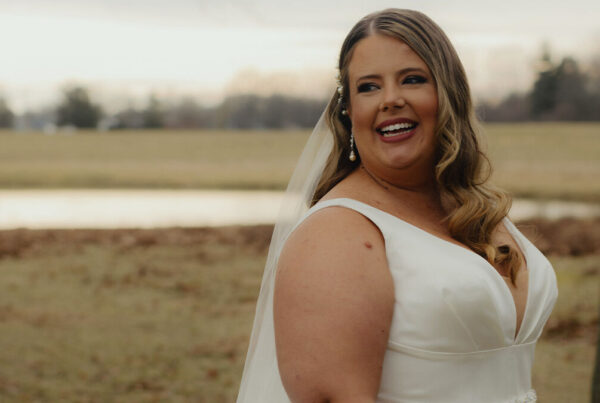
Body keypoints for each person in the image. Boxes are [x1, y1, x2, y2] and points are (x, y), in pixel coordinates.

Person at [237, 8, 558, 403]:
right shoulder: (337, 235)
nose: (391, 99)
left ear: (449, 94)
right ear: (349, 110)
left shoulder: (476, 208)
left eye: (412, 79)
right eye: (369, 87)